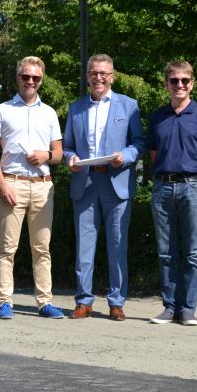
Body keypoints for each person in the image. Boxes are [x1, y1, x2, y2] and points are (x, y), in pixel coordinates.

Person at [62, 54, 145, 321]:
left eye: (104, 73)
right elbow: (67, 146)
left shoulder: (129, 106)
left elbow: (139, 144)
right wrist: (69, 159)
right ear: (87, 77)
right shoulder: (76, 108)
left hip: (117, 182)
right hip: (85, 183)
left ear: (113, 77)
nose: (99, 77)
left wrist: (126, 156)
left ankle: (116, 302)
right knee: (84, 247)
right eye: (94, 73)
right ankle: (83, 301)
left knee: (118, 246)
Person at [146, 61, 197, 326]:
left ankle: (188, 308)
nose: (180, 85)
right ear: (166, 84)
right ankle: (169, 307)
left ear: (193, 83)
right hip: (163, 187)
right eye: (174, 80)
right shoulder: (157, 117)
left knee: (192, 252)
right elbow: (154, 156)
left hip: (194, 188)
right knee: (166, 252)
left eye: (185, 80)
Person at [0, 56, 65, 320]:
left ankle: (44, 302)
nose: (31, 81)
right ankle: (4, 302)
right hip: (12, 183)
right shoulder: (2, 110)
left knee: (42, 248)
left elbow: (58, 153)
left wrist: (46, 155)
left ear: (41, 80)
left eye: (36, 78)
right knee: (7, 247)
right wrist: (1, 183)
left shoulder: (49, 113)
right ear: (18, 78)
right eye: (26, 77)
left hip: (43, 186)